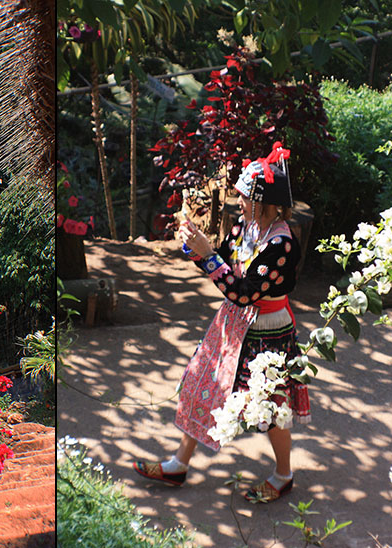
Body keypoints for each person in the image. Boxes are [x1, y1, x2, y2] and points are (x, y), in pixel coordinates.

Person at [133, 142, 311, 503]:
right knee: (202, 381)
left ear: (262, 201)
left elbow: (243, 291)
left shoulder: (282, 242)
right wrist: (196, 247)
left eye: (245, 196)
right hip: (233, 322)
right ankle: (178, 464)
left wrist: (208, 255)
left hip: (268, 330)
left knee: (270, 405)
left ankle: (283, 474)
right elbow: (225, 263)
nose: (239, 202)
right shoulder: (244, 227)